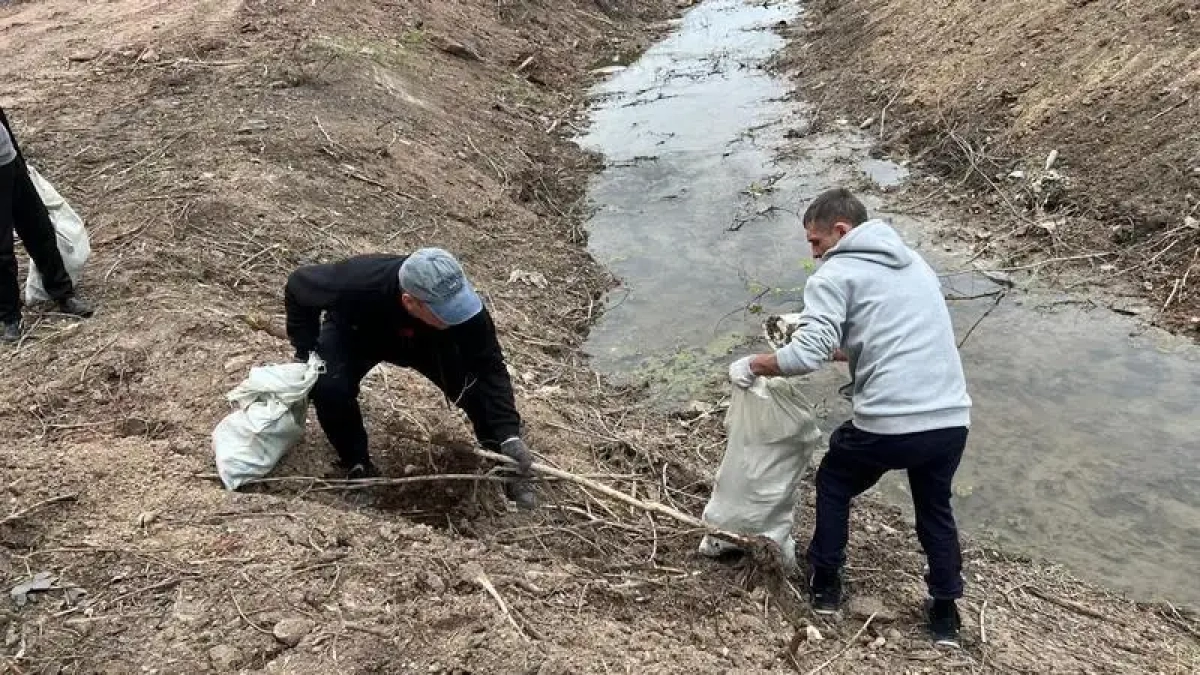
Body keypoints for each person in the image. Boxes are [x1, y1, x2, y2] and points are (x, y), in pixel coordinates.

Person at [727, 188, 972, 647]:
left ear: (840, 231)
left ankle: (825, 585)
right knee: (934, 508)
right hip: (951, 419)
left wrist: (754, 364)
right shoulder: (915, 264)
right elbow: (882, 337)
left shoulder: (835, 274)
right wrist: (836, 348)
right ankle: (945, 616)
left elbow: (805, 357)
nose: (814, 253)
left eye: (815, 241)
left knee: (835, 480)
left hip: (890, 423)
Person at [284, 247, 536, 508]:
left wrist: (508, 432)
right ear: (410, 301)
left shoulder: (465, 315)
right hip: (358, 332)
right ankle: (356, 464)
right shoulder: (358, 281)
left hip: (432, 341)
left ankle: (505, 463)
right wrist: (306, 352)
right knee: (328, 386)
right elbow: (297, 285)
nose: (457, 314)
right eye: (447, 310)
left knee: (477, 392)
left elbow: (490, 368)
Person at [1, 106, 93, 342]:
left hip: (10, 161)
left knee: (39, 229)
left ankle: (63, 294)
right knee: (2, 251)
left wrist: (20, 160)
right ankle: (10, 317)